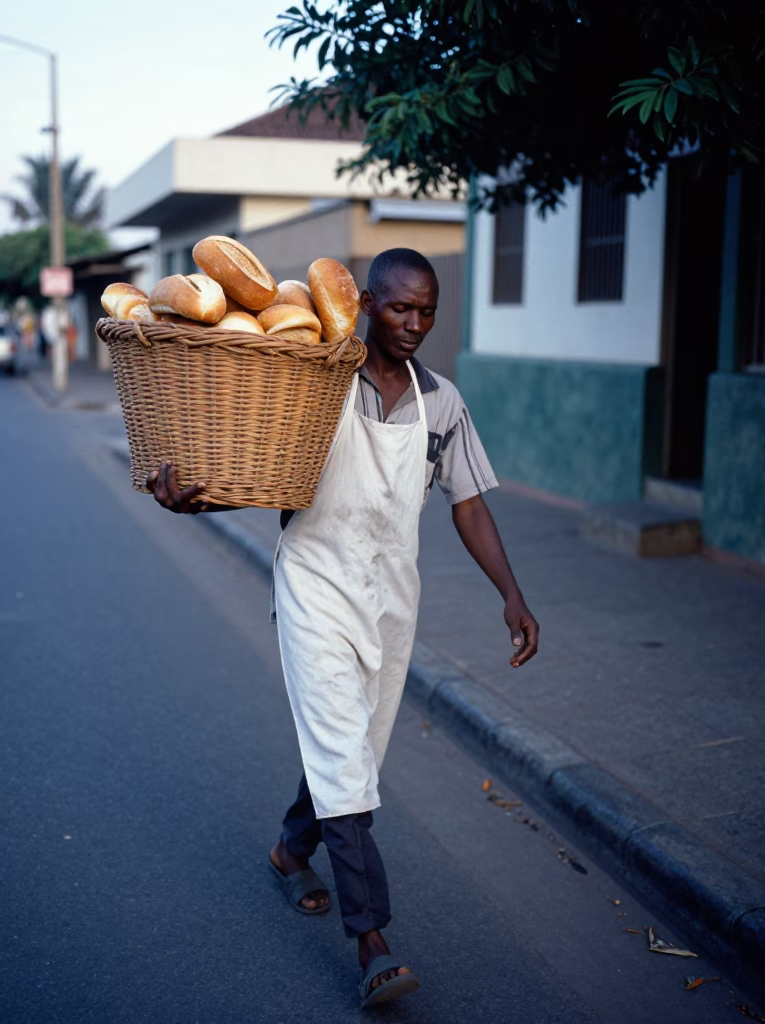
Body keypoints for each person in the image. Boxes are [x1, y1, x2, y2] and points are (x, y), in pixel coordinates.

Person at [148, 248, 539, 1008]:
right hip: (316, 586)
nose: (415, 324)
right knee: (341, 750)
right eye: (399, 308)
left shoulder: (444, 403)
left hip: (392, 598)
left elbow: (468, 502)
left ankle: (291, 849)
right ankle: (373, 942)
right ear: (364, 301)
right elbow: (256, 472)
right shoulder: (315, 375)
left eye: (427, 310)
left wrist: (512, 598)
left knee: (351, 752)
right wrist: (193, 500)